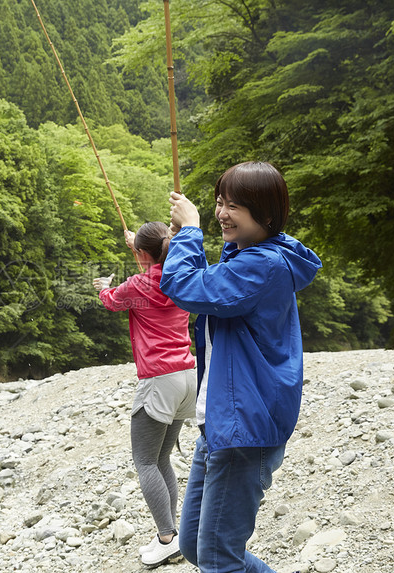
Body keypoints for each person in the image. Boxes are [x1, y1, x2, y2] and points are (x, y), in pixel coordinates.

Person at [160, 161, 322, 573]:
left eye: (234, 205)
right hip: (222, 423)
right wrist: (187, 236)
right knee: (199, 547)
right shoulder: (247, 257)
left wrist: (190, 230)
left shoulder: (262, 265)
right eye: (218, 202)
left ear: (266, 215)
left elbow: (184, 286)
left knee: (217, 556)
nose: (221, 213)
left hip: (243, 428)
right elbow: (201, 283)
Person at [92, 221, 197, 569]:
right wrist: (138, 247)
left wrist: (102, 286)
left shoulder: (138, 283)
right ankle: (173, 532)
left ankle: (167, 538)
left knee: (146, 461)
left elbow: (111, 301)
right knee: (162, 457)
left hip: (160, 380)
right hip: (188, 376)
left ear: (141, 254)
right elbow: (158, 267)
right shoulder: (180, 275)